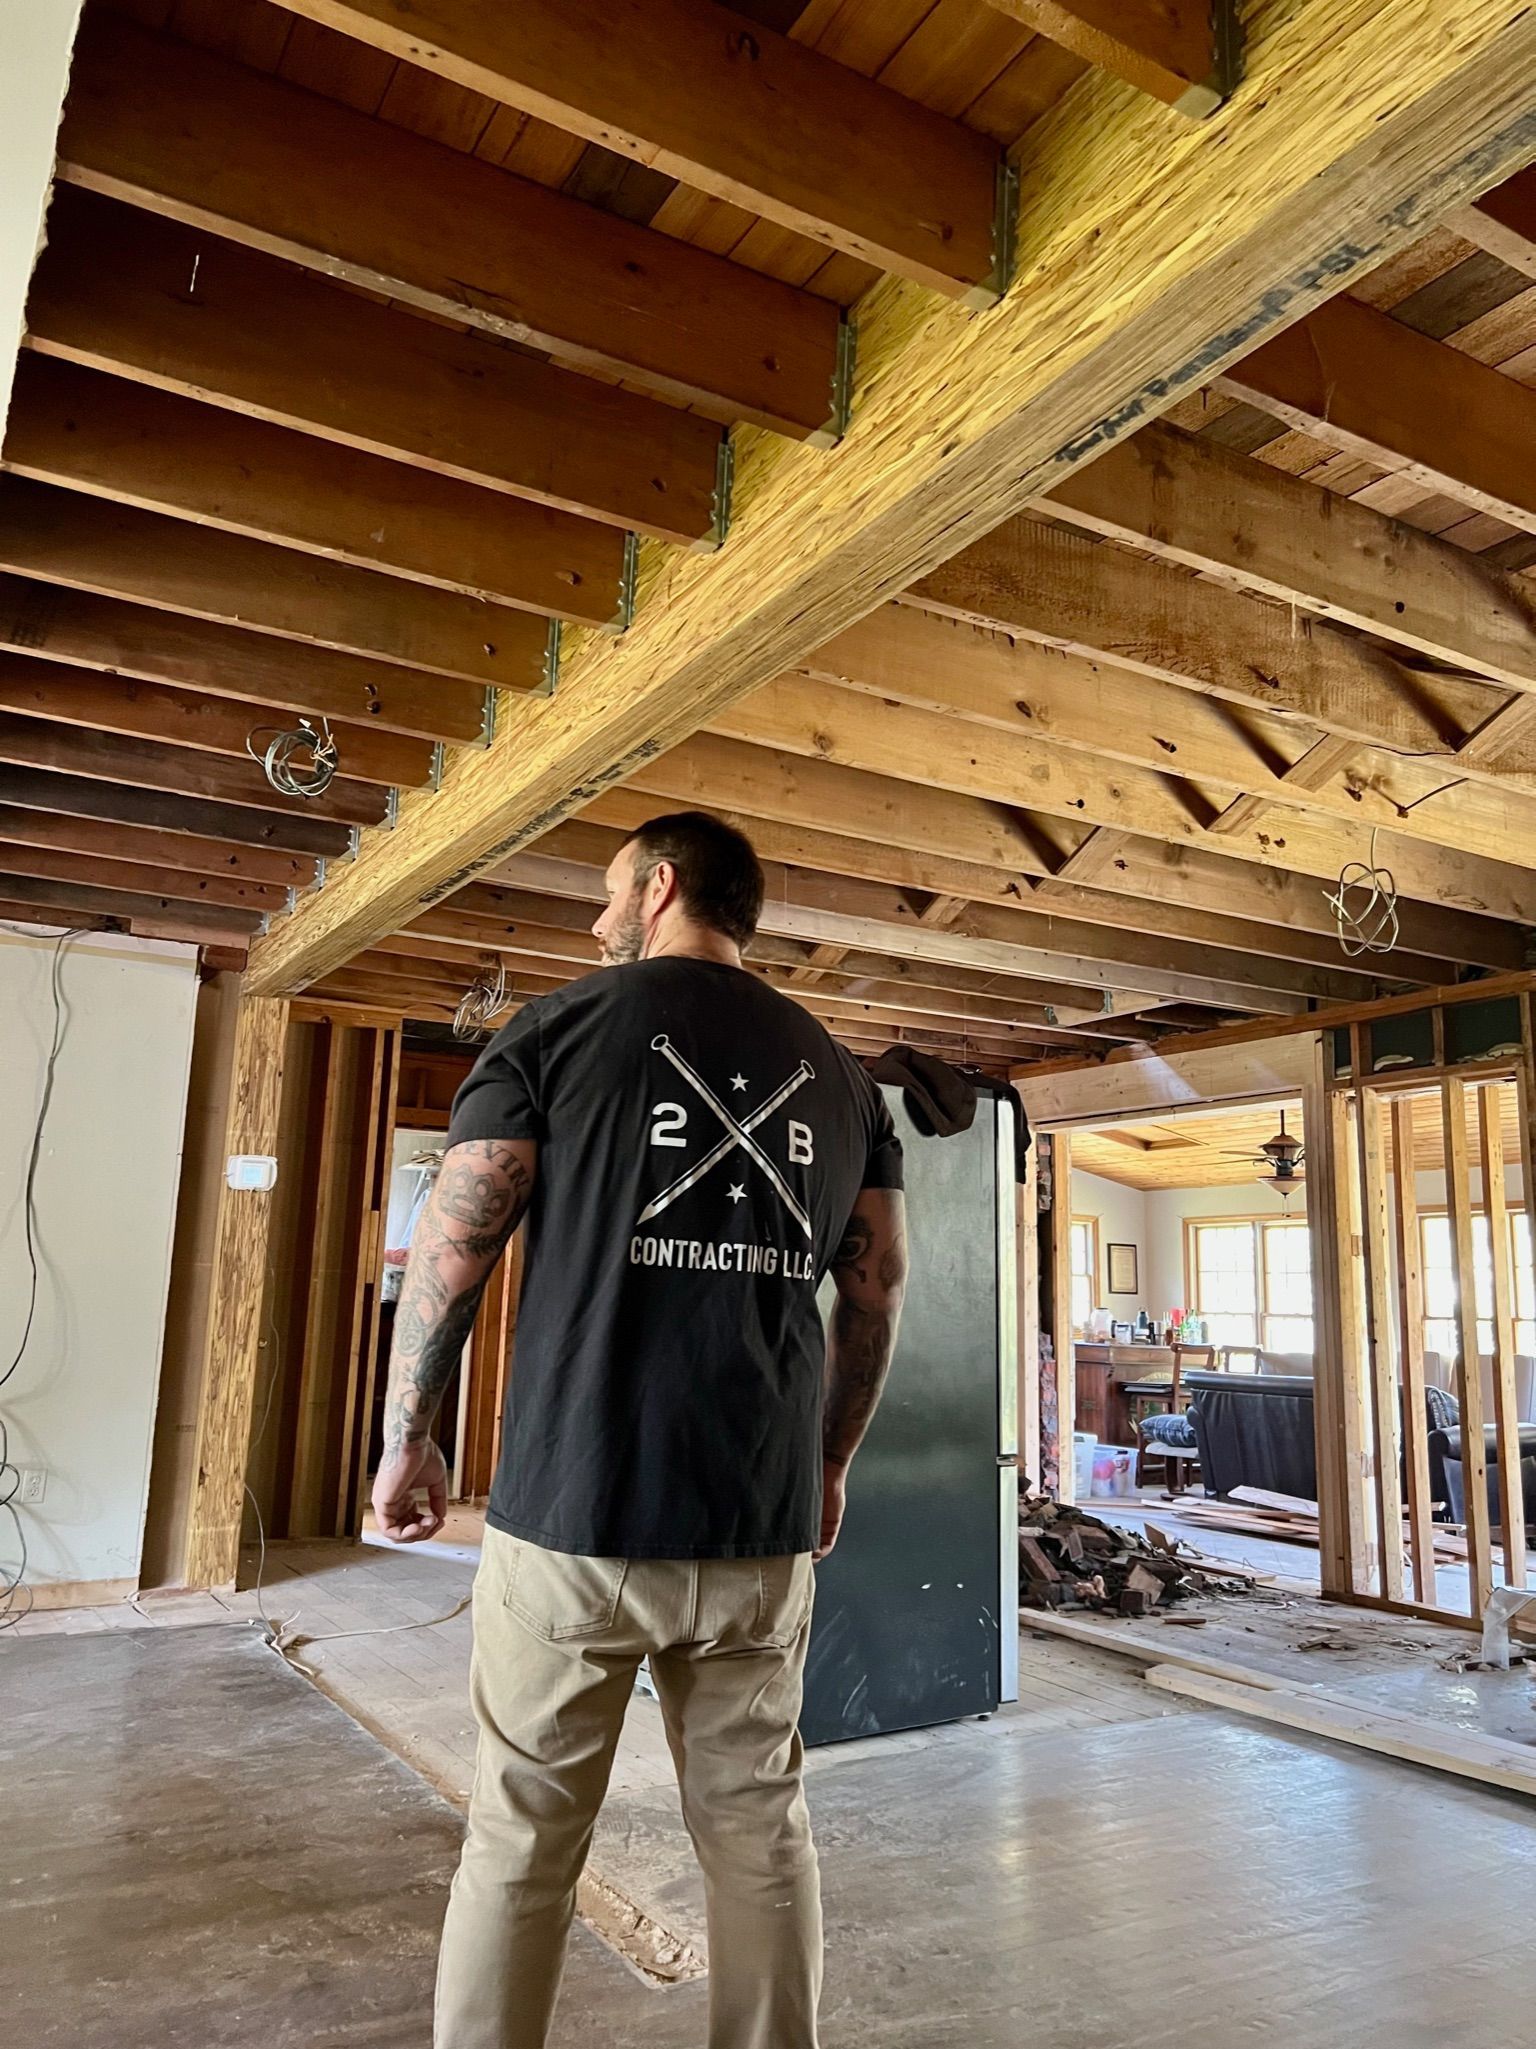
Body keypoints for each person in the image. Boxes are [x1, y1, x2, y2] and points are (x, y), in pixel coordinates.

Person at [372, 810, 909, 2049]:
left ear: (660, 886)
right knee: (762, 1834)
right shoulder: (834, 1072)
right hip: (757, 1527)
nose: (595, 917)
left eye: (609, 892)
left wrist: (410, 1436)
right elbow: (875, 1288)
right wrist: (828, 1461)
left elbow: (451, 1254)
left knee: (521, 1840)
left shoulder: (554, 1033)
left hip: (576, 1511)